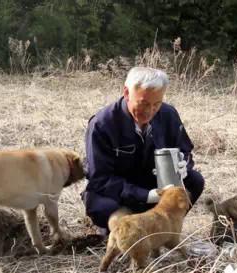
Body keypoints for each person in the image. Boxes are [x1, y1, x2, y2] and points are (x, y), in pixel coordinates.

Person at [82, 67, 205, 234]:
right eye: (144, 103)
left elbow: (185, 150)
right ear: (126, 93)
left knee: (195, 181)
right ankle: (122, 232)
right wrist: (146, 196)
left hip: (154, 186)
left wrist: (184, 165)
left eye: (156, 104)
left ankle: (161, 231)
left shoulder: (168, 114)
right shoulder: (102, 124)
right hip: (118, 193)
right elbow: (100, 179)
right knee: (103, 206)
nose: (149, 111)